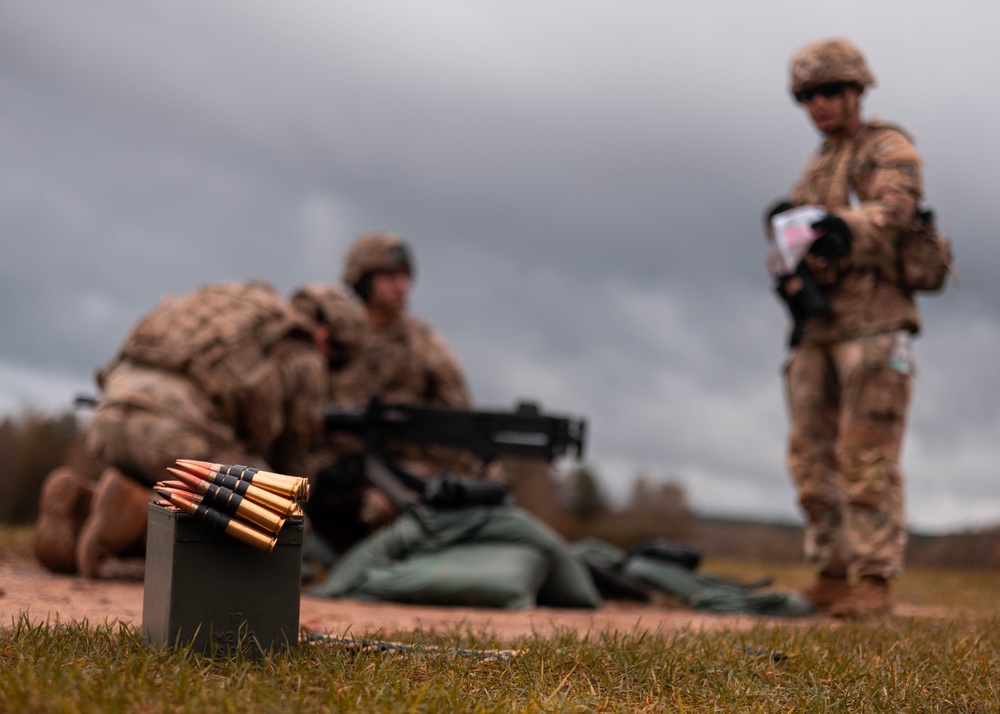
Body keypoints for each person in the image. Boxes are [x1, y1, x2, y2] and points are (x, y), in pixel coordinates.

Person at [34, 281, 366, 578]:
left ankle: (88, 508)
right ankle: (136, 518)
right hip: (175, 437)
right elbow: (295, 462)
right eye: (335, 358)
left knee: (184, 479)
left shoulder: (233, 306)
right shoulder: (302, 348)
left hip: (108, 418)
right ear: (326, 333)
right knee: (283, 524)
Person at [766, 38, 925, 617]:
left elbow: (894, 213)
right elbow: (792, 240)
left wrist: (842, 227)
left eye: (830, 91)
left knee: (865, 453)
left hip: (874, 324)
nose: (820, 104)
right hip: (820, 329)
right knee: (810, 456)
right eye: (808, 95)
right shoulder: (818, 164)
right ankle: (832, 572)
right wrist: (787, 274)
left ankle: (873, 580)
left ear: (857, 89)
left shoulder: (887, 146)